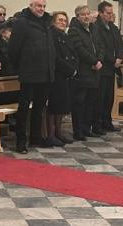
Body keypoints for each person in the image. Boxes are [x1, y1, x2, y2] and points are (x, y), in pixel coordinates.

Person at [8, 0, 55, 153]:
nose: (41, 9)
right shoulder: (22, 22)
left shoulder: (47, 23)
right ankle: (20, 141)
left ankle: (35, 137)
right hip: (29, 72)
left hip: (45, 72)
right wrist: (19, 67)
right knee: (24, 108)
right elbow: (14, 48)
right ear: (31, 6)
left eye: (43, 6)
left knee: (39, 107)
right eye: (38, 6)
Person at [67, 5, 104, 140]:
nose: (86, 17)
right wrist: (94, 62)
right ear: (77, 17)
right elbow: (79, 49)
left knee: (91, 102)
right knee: (79, 103)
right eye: (83, 14)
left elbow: (100, 45)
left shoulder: (94, 29)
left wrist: (99, 60)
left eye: (88, 14)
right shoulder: (73, 31)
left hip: (95, 71)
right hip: (83, 71)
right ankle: (78, 131)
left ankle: (87, 128)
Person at [46, 11, 76, 146]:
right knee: (53, 106)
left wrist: (73, 67)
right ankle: (51, 134)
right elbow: (55, 57)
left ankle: (59, 132)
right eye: (60, 20)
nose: (63, 22)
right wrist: (69, 69)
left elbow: (71, 53)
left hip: (65, 75)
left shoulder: (64, 35)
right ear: (53, 22)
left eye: (65, 20)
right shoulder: (51, 35)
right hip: (55, 75)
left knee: (62, 106)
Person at [94, 1, 123, 132]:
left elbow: (119, 44)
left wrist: (119, 56)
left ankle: (107, 122)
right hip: (103, 66)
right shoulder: (96, 28)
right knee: (100, 97)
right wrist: (113, 59)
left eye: (112, 13)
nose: (110, 16)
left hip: (112, 67)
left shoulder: (113, 28)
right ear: (100, 13)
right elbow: (101, 47)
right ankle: (98, 123)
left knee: (109, 97)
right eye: (108, 13)